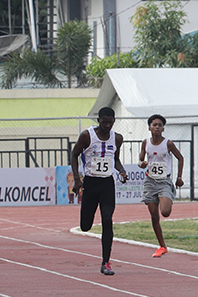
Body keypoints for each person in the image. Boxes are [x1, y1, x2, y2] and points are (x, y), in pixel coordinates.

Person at [71, 107, 128, 276]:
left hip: (107, 185)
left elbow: (115, 159)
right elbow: (74, 155)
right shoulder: (87, 136)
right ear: (98, 120)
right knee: (85, 226)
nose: (107, 126)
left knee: (107, 219)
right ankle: (86, 220)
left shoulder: (117, 138)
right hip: (91, 183)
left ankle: (106, 262)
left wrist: (122, 171)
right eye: (104, 122)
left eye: (110, 122)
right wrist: (77, 179)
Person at [137, 114, 184, 258]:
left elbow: (180, 158)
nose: (157, 127)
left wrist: (179, 177)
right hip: (150, 181)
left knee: (165, 212)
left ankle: (168, 196)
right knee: (154, 215)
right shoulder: (145, 142)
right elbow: (140, 160)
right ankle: (162, 246)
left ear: (163, 128)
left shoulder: (168, 143)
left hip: (164, 181)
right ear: (150, 127)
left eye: (159, 125)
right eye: (154, 124)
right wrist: (142, 163)